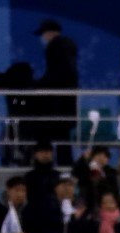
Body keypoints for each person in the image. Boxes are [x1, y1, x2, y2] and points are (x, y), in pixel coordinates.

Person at [33, 19, 78, 160]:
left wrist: (38, 86)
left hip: (57, 102)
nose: (43, 38)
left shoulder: (55, 46)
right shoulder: (68, 45)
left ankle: (57, 163)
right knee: (63, 137)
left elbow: (55, 73)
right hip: (66, 100)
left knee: (56, 133)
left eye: (43, 34)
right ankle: (65, 164)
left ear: (49, 33)